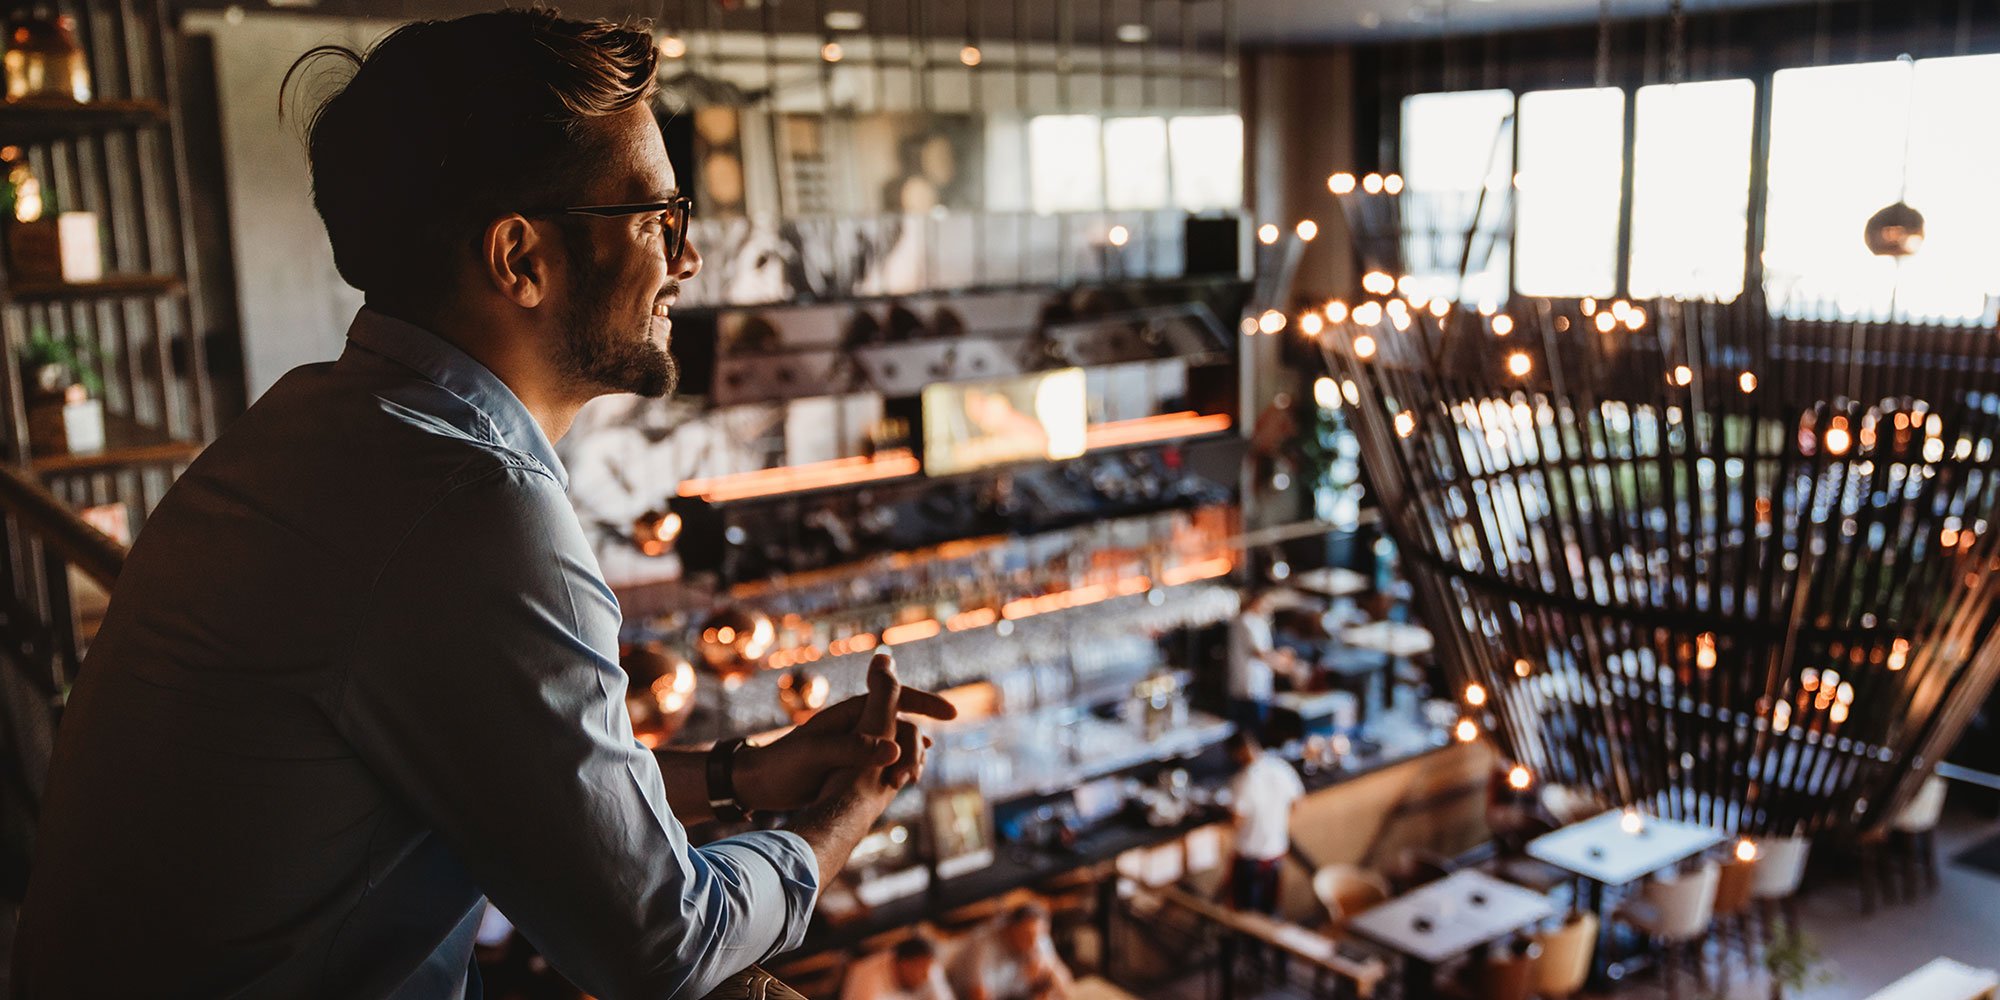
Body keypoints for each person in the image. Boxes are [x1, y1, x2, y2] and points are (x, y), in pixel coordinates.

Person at [13, 11, 954, 999]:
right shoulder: (468, 506)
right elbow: (660, 946)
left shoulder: (318, 423)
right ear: (519, 258)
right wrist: (836, 819)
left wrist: (739, 779)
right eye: (656, 221)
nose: (685, 262)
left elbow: (518, 767)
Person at [1226, 731, 1306, 918]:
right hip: (1276, 852)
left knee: (1246, 915)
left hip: (1249, 857)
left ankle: (1252, 947)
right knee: (1271, 911)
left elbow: (1237, 820)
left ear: (1237, 753)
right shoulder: (1281, 768)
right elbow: (1298, 803)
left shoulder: (1243, 780)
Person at [947, 902, 1075, 1000]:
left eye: (1040, 935)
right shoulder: (983, 946)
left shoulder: (1036, 936)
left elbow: (1066, 982)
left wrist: (1049, 968)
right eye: (1026, 936)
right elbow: (978, 996)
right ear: (1011, 928)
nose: (1033, 942)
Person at [1227, 585, 1302, 737]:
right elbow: (1259, 653)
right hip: (1247, 688)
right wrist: (1285, 664)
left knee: (1259, 729)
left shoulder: (1260, 622)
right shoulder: (1245, 621)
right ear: (1257, 601)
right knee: (1248, 733)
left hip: (1260, 688)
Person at [841, 935, 956, 1000]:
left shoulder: (927, 968)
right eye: (921, 972)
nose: (925, 977)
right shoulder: (867, 978)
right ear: (904, 965)